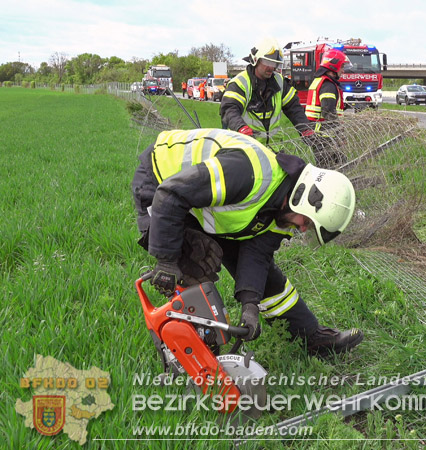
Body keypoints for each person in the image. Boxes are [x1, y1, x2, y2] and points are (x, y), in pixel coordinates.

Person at [131, 128, 364, 356]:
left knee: (265, 277)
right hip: (159, 183)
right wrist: (167, 260)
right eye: (308, 222)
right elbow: (170, 195)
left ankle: (312, 337)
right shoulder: (247, 173)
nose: (303, 229)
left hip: (196, 200)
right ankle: (198, 356)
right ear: (304, 197)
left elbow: (256, 257)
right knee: (195, 259)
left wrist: (250, 304)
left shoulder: (283, 211)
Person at [220, 37, 313, 144]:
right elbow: (229, 110)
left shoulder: (279, 82)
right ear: (256, 60)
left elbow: (294, 108)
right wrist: (241, 128)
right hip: (245, 148)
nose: (271, 68)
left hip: (273, 149)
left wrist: (305, 129)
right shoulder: (240, 83)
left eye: (274, 63)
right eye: (267, 62)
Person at [304, 48, 350, 167]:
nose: (343, 71)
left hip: (317, 134)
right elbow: (328, 111)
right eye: (342, 67)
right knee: (328, 168)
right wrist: (340, 133)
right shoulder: (328, 85)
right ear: (334, 66)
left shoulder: (319, 81)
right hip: (324, 136)